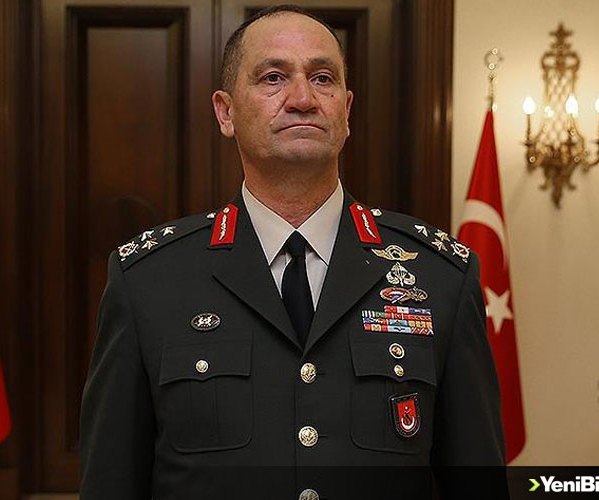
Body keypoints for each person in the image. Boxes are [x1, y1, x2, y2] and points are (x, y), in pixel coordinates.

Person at [79, 4, 507, 500]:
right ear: (225, 112)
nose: (303, 99)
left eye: (322, 79)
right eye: (273, 78)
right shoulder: (148, 281)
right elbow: (111, 483)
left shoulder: (440, 277)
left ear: (346, 110)